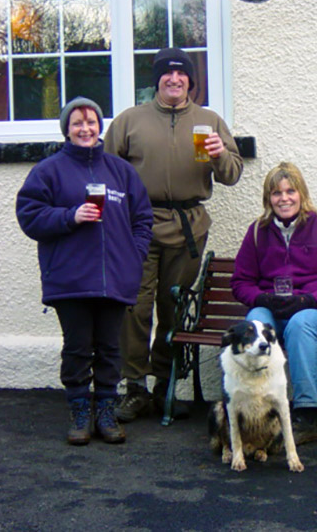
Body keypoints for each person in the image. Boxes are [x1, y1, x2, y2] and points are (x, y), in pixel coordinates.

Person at [104, 47, 243, 421]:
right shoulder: (129, 121)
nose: (174, 79)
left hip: (188, 227)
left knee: (173, 309)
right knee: (134, 308)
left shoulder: (210, 121)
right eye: (167, 73)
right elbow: (106, 173)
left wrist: (218, 155)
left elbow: (232, 174)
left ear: (191, 82)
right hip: (138, 226)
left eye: (182, 74)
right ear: (157, 80)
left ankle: (164, 385)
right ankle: (134, 388)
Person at [16, 97, 153, 445]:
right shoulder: (48, 170)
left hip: (115, 278)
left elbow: (143, 220)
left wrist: (133, 257)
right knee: (77, 348)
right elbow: (29, 216)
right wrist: (70, 216)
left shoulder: (121, 171)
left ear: (99, 127)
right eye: (77, 123)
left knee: (109, 349)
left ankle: (105, 411)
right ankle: (80, 411)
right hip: (70, 279)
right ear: (67, 129)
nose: (85, 128)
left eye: (91, 122)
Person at [230, 162, 317, 444]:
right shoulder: (258, 231)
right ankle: (254, 408)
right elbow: (240, 282)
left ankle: (306, 414)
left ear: (301, 194)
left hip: (316, 310)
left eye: (290, 191)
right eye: (276, 193)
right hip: (273, 305)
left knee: (300, 324)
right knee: (255, 322)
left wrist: (309, 300)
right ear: (268, 198)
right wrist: (261, 298)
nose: (284, 198)